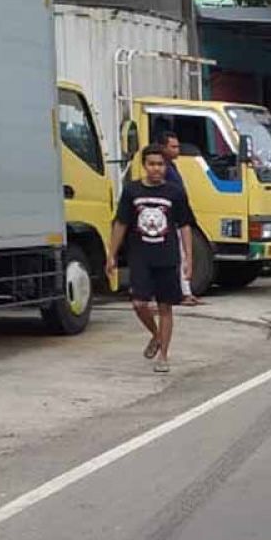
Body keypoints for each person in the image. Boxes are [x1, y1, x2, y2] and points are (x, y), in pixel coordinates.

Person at [107, 144, 196, 373]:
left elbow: (185, 226)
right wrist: (111, 254)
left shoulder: (175, 192)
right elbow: (121, 223)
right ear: (144, 166)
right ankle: (156, 335)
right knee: (139, 303)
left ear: (166, 167)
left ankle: (163, 355)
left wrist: (189, 259)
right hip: (140, 256)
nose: (156, 169)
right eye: (151, 164)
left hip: (167, 256)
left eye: (160, 164)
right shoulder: (132, 191)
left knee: (166, 307)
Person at [156, 131, 201, 306]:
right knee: (178, 255)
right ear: (163, 147)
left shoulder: (172, 166)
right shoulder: (163, 168)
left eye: (178, 146)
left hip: (177, 216)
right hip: (169, 218)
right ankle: (183, 293)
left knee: (181, 254)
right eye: (173, 147)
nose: (177, 150)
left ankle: (185, 291)